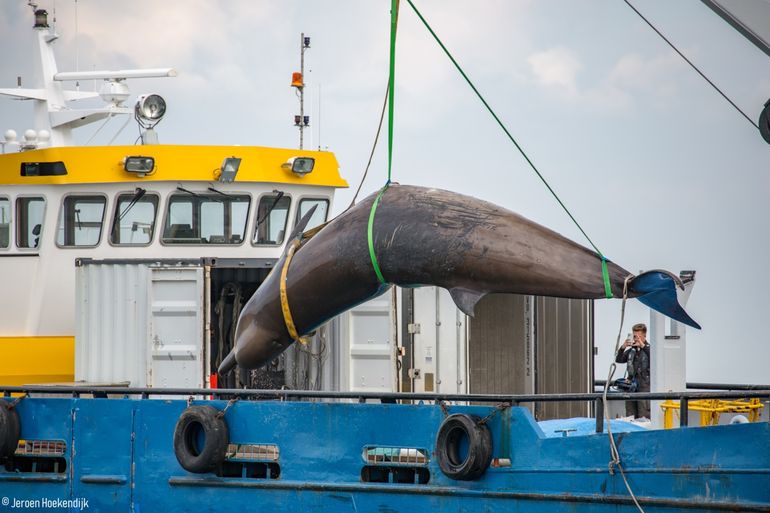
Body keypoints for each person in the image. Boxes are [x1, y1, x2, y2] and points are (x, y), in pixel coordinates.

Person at [615, 322, 651, 419]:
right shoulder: (631, 350)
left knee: (644, 416)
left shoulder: (649, 349)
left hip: (645, 388)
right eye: (635, 336)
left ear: (644, 335)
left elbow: (655, 359)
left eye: (639, 336)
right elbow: (619, 359)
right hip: (631, 387)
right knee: (630, 415)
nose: (636, 339)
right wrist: (623, 347)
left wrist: (642, 346)